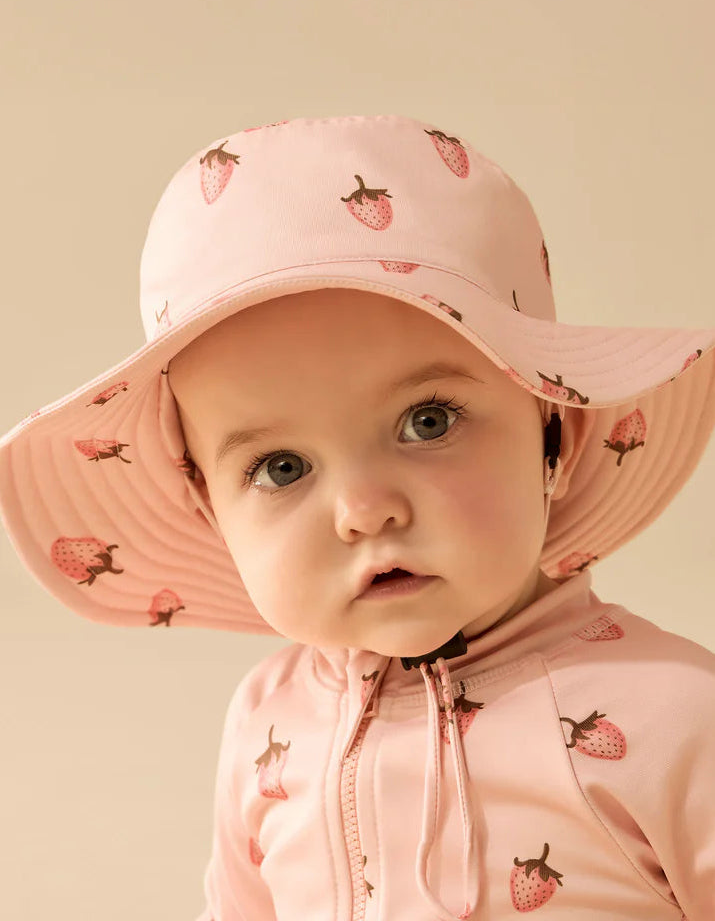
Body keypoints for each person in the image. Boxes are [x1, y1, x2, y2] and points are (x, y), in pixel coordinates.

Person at [0, 113, 713, 920]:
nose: (363, 511)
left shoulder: (676, 715)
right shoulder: (269, 722)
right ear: (208, 506)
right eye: (280, 468)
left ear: (555, 432)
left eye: (428, 421)